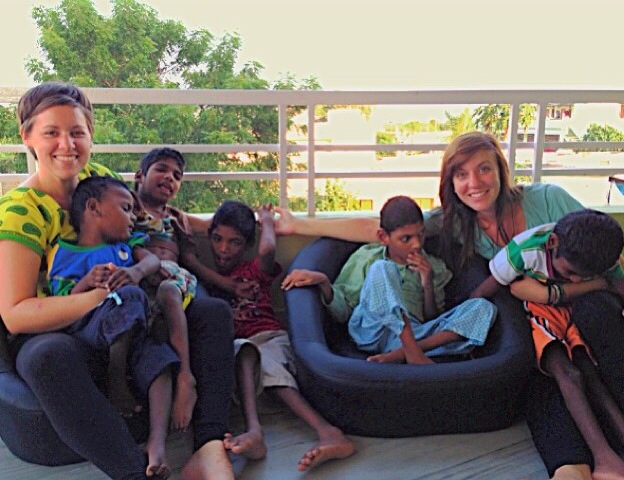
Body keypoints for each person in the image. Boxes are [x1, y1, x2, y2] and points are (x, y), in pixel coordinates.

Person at [273, 131, 624, 480]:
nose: (475, 183)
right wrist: (299, 224)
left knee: (594, 326)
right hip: (530, 317)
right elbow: (377, 228)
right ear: (450, 181)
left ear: (501, 170)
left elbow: (602, 248)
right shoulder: (453, 222)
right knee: (535, 368)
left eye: (484, 169)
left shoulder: (548, 198)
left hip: (583, 301)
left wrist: (584, 290)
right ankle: (570, 467)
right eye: (461, 174)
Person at [0, 81, 235, 480]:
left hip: (125, 315)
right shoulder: (21, 211)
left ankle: (209, 447)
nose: (66, 145)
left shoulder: (101, 178)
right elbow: (15, 314)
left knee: (212, 313)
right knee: (46, 357)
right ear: (27, 137)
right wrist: (100, 297)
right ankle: (132, 472)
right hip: (61, 328)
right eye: (51, 132)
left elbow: (143, 227)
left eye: (77, 132)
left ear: (91, 135)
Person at [471, 209, 624, 478]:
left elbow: (615, 286)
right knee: (567, 372)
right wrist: (462, 322)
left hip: (573, 311)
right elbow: (485, 290)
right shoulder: (524, 251)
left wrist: (559, 292)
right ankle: (603, 456)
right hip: (537, 312)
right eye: (570, 272)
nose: (575, 280)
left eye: (585, 276)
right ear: (552, 243)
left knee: (590, 371)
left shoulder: (601, 254)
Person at [204, 200, 355, 472]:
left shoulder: (253, 270)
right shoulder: (208, 283)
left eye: (234, 242)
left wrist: (266, 219)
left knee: (268, 363)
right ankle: (254, 431)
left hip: (271, 338)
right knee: (243, 350)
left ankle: (329, 432)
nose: (224, 249)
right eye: (217, 239)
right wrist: (191, 259)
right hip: (244, 350)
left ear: (247, 245)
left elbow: (267, 250)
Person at [48, 175, 179, 478]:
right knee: (130, 296)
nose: (133, 218)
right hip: (92, 327)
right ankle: (116, 375)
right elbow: (62, 300)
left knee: (161, 362)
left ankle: (157, 444)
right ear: (93, 208)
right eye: (126, 208)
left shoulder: (126, 247)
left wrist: (135, 272)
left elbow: (152, 263)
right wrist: (87, 281)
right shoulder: (66, 252)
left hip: (134, 331)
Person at [282, 195, 497, 364]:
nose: (416, 244)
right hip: (371, 330)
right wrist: (322, 281)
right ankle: (412, 352)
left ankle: (404, 352)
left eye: (420, 235)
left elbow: (431, 317)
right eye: (406, 238)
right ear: (384, 237)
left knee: (483, 307)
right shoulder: (368, 258)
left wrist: (427, 282)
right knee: (383, 269)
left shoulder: (434, 267)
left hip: (414, 334)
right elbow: (343, 310)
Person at [131, 147, 203, 433]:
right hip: (140, 275)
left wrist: (228, 285)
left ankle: (185, 376)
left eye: (177, 175)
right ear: (140, 175)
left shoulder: (176, 218)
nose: (170, 178)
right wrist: (144, 262)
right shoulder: (127, 206)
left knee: (167, 290)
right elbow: (117, 238)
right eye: (161, 169)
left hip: (173, 279)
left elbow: (191, 260)